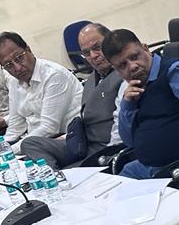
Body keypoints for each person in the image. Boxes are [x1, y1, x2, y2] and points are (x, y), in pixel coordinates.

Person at [107, 28, 179, 179]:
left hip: (178, 167)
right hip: (143, 167)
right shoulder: (132, 89)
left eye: (134, 57)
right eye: (122, 65)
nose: (132, 66)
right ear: (117, 71)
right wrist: (127, 106)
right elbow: (128, 141)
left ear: (145, 49)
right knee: (109, 190)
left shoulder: (175, 72)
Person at [20, 23, 124, 168]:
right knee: (30, 143)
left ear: (111, 42)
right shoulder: (91, 80)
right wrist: (69, 136)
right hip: (81, 142)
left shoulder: (124, 74)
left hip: (105, 147)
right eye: (86, 52)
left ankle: (56, 177)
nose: (93, 56)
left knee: (67, 170)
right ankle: (54, 175)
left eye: (97, 47)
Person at [0, 31, 83, 150]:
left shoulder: (53, 75)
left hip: (67, 139)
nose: (17, 68)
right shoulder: (14, 81)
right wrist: (2, 148)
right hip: (36, 140)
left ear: (29, 50)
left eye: (19, 58)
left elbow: (49, 128)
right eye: (9, 65)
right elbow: (15, 125)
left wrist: (11, 150)